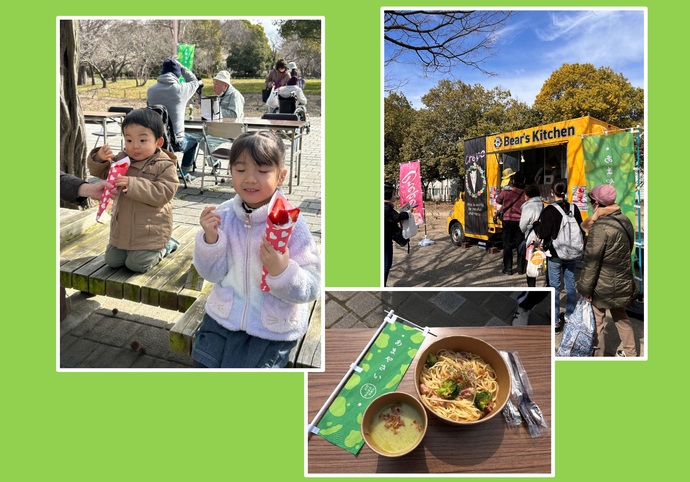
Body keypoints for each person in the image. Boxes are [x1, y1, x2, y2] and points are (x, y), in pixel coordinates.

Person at [192, 131, 320, 368]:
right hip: (223, 316)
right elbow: (211, 274)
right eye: (240, 170)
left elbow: (312, 287)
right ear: (230, 171)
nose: (250, 179)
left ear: (281, 176)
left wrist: (282, 272)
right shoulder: (225, 215)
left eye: (262, 171)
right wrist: (210, 241)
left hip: (272, 326)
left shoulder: (290, 222)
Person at [87, 108, 180, 273]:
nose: (135, 146)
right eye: (129, 140)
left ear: (158, 142)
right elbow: (100, 172)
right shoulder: (122, 160)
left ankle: (166, 246)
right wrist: (99, 158)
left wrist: (133, 184)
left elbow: (164, 192)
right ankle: (130, 250)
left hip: (149, 232)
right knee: (112, 261)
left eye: (143, 140)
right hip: (123, 229)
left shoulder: (164, 165)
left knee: (136, 265)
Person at [577, 185, 638, 357]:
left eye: (592, 201)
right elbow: (628, 248)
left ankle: (598, 358)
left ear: (596, 203)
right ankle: (631, 353)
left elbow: (592, 263)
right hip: (622, 279)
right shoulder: (624, 220)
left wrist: (585, 289)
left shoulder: (600, 227)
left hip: (602, 284)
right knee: (622, 318)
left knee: (598, 322)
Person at [534, 179, 584, 333]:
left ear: (552, 192)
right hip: (572, 254)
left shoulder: (549, 210)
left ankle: (555, 321)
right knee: (570, 285)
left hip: (555, 255)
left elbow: (542, 233)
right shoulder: (574, 208)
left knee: (554, 287)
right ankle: (569, 316)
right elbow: (581, 230)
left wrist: (536, 224)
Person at [146, 57, 201, 182]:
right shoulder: (180, 90)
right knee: (193, 142)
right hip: (176, 142)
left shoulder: (151, 90)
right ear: (177, 73)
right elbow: (195, 81)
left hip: (155, 140)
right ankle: (184, 172)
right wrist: (182, 68)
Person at [496, 168, 525, 275]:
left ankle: (508, 269)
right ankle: (521, 269)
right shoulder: (525, 193)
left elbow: (498, 200)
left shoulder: (506, 191)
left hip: (508, 221)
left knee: (507, 245)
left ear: (513, 180)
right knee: (520, 244)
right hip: (520, 221)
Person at [383, 183, 409, 287]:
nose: (395, 196)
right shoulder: (386, 208)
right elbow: (397, 217)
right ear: (387, 195)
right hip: (385, 240)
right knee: (386, 263)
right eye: (394, 194)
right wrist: (406, 214)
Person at [519, 184, 544, 287]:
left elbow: (522, 225)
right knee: (540, 260)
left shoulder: (528, 206)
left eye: (525, 195)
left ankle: (531, 288)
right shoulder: (544, 205)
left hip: (531, 239)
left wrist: (527, 230)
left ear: (528, 196)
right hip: (541, 238)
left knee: (530, 265)